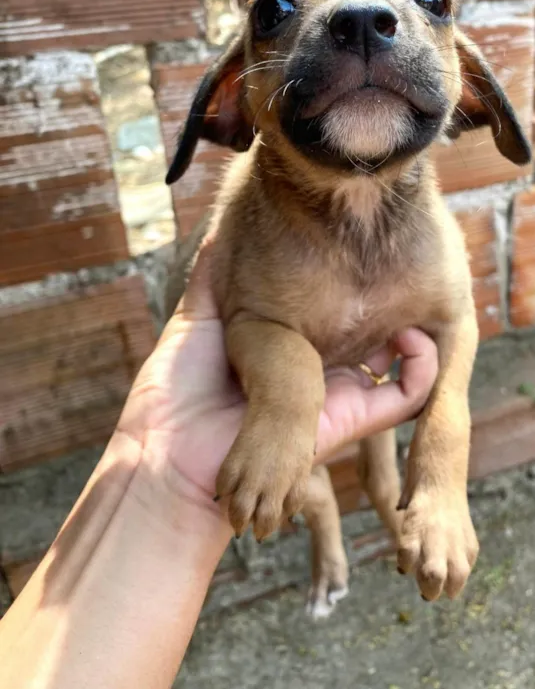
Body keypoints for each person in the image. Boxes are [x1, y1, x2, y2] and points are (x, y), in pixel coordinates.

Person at [0, 244, 438, 688]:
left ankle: (368, 501)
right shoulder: (241, 265)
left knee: (356, 376)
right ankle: (326, 512)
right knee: (279, 433)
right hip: (252, 332)